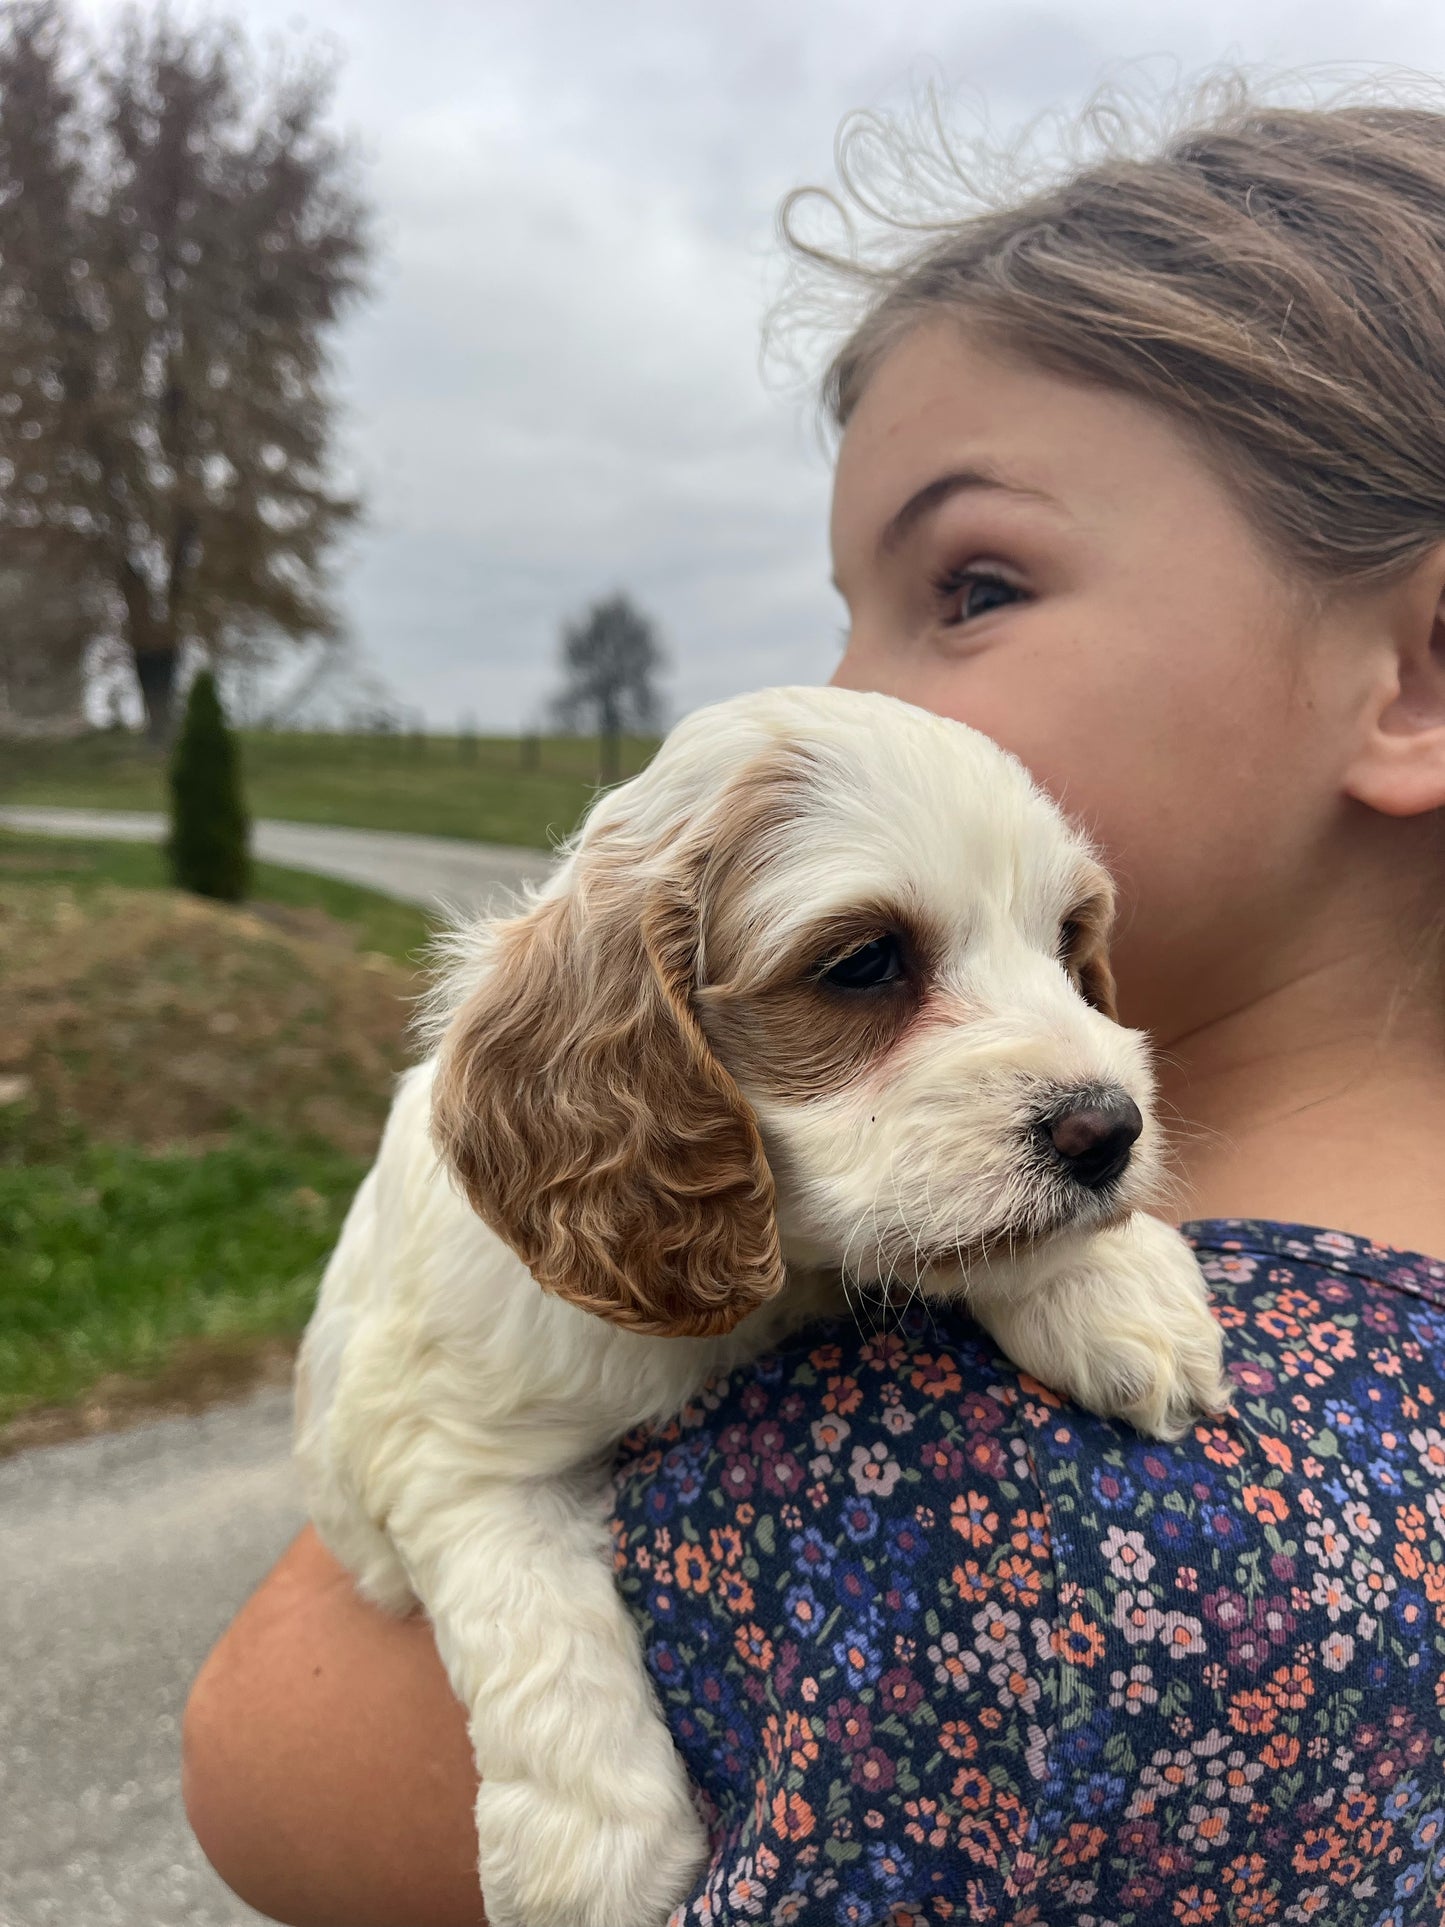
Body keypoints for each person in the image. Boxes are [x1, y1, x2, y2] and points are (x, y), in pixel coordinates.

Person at [182, 77, 1445, 1927]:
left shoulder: (990, 1509)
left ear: (1415, 673)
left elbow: (256, 1760)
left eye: (974, 584)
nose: (872, 696)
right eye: (846, 607)